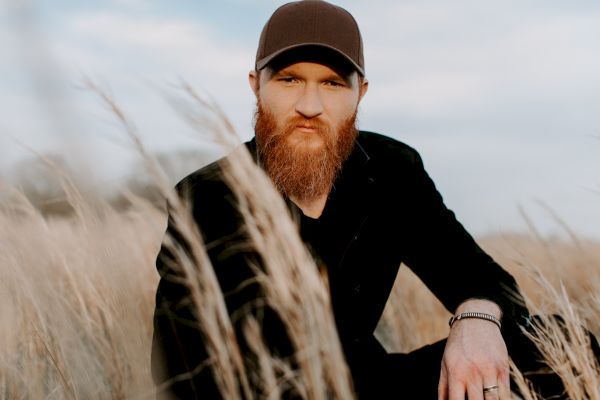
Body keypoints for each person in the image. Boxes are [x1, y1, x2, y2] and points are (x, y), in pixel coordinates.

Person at [152, 1, 597, 399]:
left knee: (557, 345)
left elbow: (483, 279)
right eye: (289, 79)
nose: (310, 104)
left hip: (371, 386)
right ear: (256, 86)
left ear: (360, 92)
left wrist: (475, 322)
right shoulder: (204, 196)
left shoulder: (390, 170)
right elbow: (176, 377)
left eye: (331, 84)